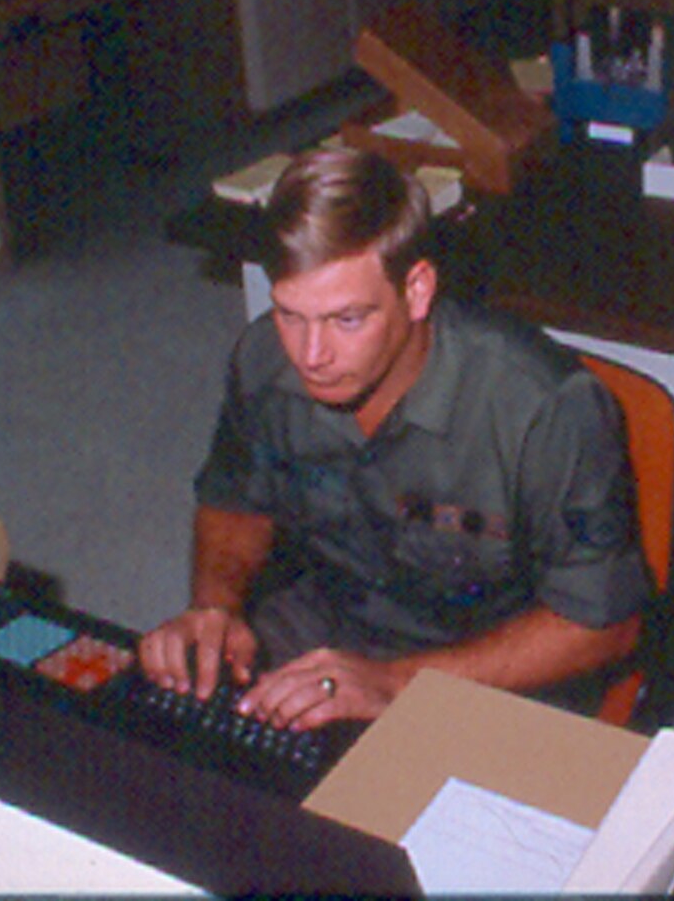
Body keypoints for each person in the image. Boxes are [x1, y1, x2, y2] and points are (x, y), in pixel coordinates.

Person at [139, 146, 648, 730]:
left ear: (417, 291)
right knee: (169, 741)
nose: (310, 355)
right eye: (289, 313)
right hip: (331, 622)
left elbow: (604, 623)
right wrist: (215, 607)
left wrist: (394, 683)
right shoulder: (263, 359)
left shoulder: (543, 408)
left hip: (489, 666)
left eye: (347, 319)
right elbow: (235, 499)